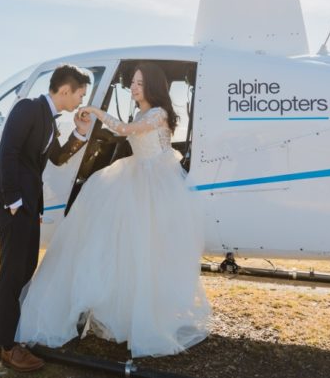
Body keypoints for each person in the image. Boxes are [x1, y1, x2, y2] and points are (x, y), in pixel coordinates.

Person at [16, 62, 210, 358]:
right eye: (132, 82)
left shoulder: (157, 114)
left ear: (154, 87)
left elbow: (124, 130)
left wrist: (94, 112)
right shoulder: (140, 111)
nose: (133, 87)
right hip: (135, 179)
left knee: (148, 253)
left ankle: (149, 319)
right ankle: (127, 314)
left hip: (153, 186)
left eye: (140, 83)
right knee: (126, 252)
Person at [0, 64, 93, 372]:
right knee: (12, 271)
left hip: (29, 204)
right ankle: (7, 346)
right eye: (80, 94)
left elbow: (58, 157)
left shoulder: (50, 119)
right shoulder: (28, 108)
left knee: (25, 268)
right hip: (14, 203)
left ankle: (14, 333)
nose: (80, 100)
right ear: (64, 91)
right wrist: (13, 200)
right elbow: (8, 152)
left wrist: (80, 131)